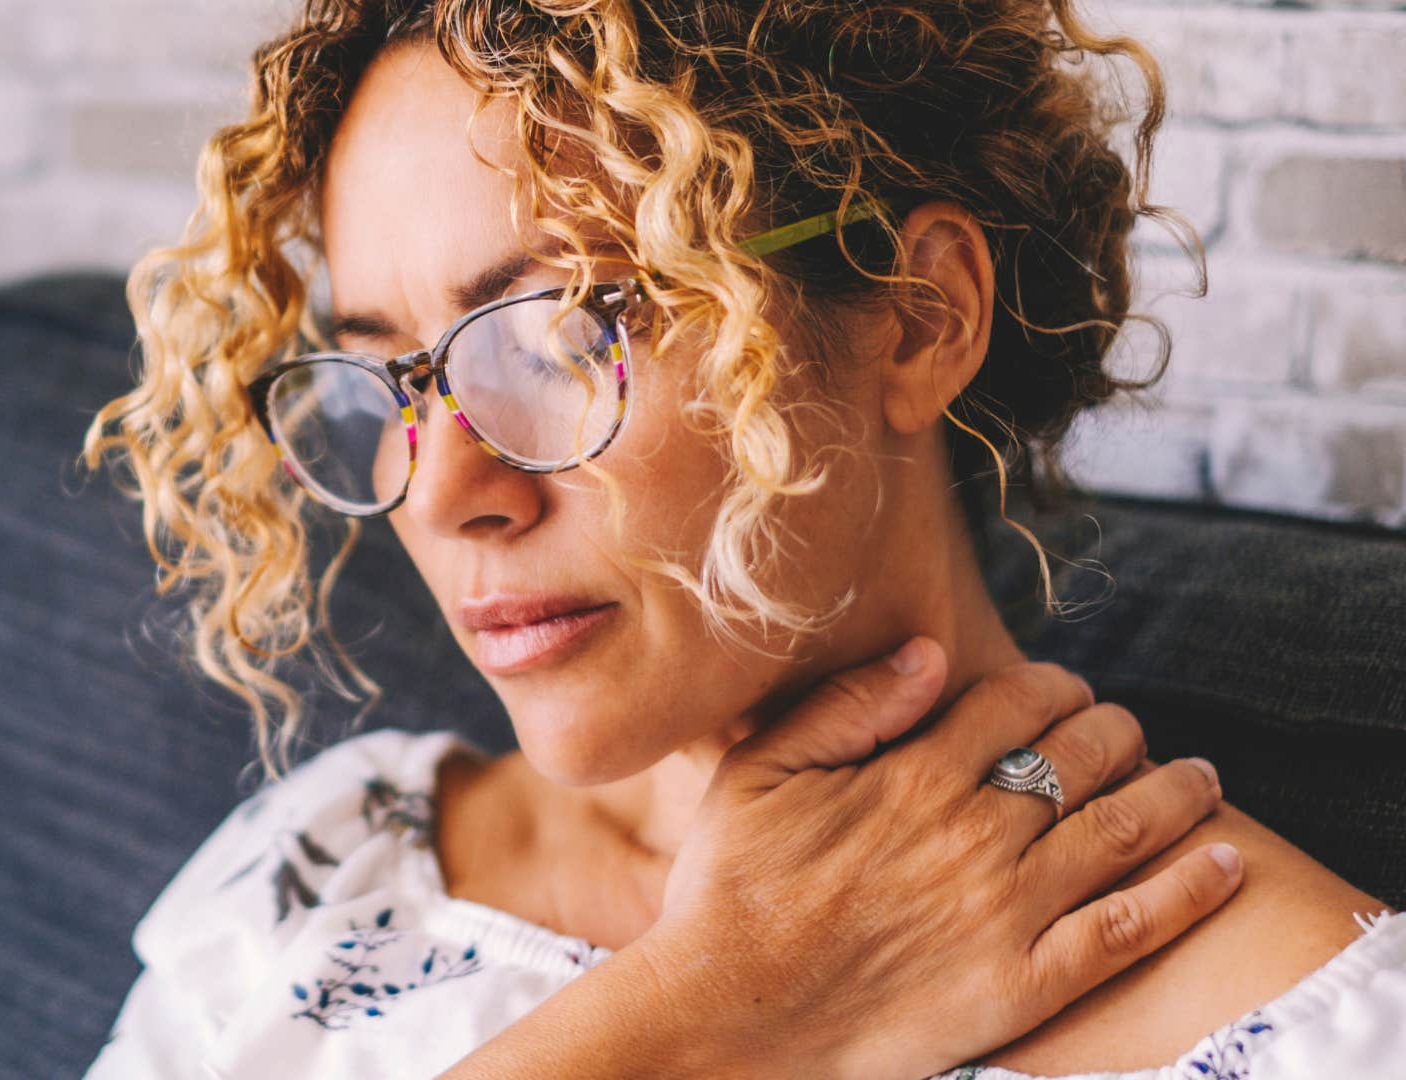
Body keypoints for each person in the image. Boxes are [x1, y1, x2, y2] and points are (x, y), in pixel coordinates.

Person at [78, 1, 1401, 1076]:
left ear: (918, 315)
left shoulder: (1307, 1029)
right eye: (388, 381)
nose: (438, 492)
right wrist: (705, 1013)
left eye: (562, 333)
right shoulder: (327, 873)